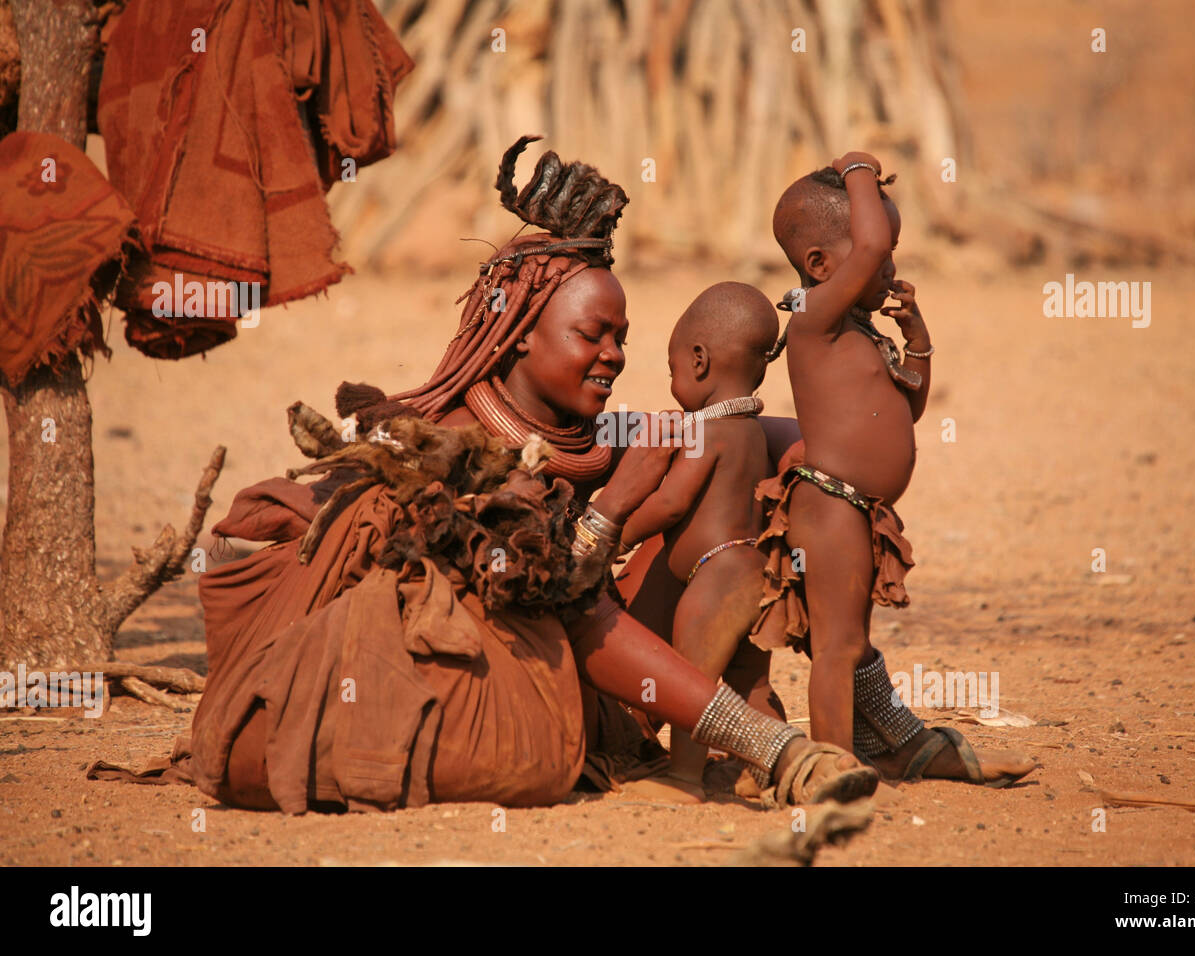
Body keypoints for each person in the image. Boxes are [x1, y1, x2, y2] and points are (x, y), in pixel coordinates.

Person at [107, 137, 879, 812]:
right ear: (516, 335)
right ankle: (773, 747)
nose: (613, 356)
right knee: (573, 593)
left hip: (592, 669)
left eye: (623, 337)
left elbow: (745, 431)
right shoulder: (447, 446)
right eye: (591, 335)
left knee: (761, 491)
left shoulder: (593, 435)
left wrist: (835, 428)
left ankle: (883, 723)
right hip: (466, 665)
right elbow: (548, 589)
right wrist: (609, 509)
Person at [754, 151, 1035, 786]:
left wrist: (918, 339)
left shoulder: (856, 333)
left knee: (849, 641)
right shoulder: (814, 320)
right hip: (828, 508)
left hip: (856, 511)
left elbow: (909, 404)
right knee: (837, 648)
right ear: (824, 266)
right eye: (878, 256)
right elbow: (871, 233)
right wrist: (857, 167)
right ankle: (831, 770)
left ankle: (880, 749)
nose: (890, 263)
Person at [615, 282, 780, 801]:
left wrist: (617, 531)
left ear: (699, 361)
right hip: (754, 573)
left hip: (718, 573)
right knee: (749, 681)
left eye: (672, 371)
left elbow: (671, 503)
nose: (671, 383)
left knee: (694, 675)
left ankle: (684, 778)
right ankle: (768, 765)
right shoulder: (751, 430)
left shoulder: (708, 432)